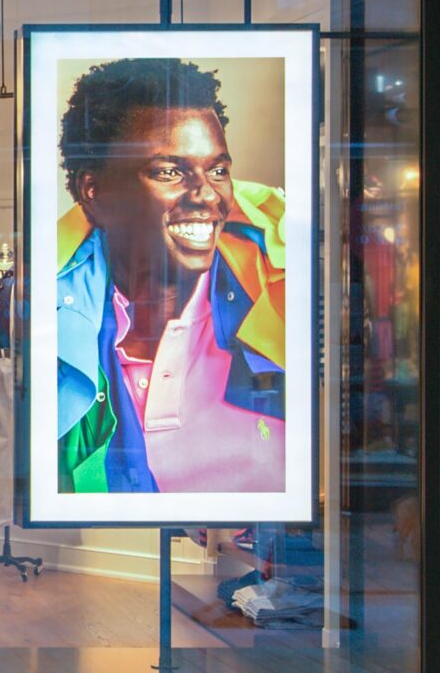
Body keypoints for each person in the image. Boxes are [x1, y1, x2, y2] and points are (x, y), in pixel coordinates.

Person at [53, 58, 288, 495]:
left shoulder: (276, 297)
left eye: (218, 170)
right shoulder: (54, 318)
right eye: (169, 172)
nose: (207, 195)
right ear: (94, 191)